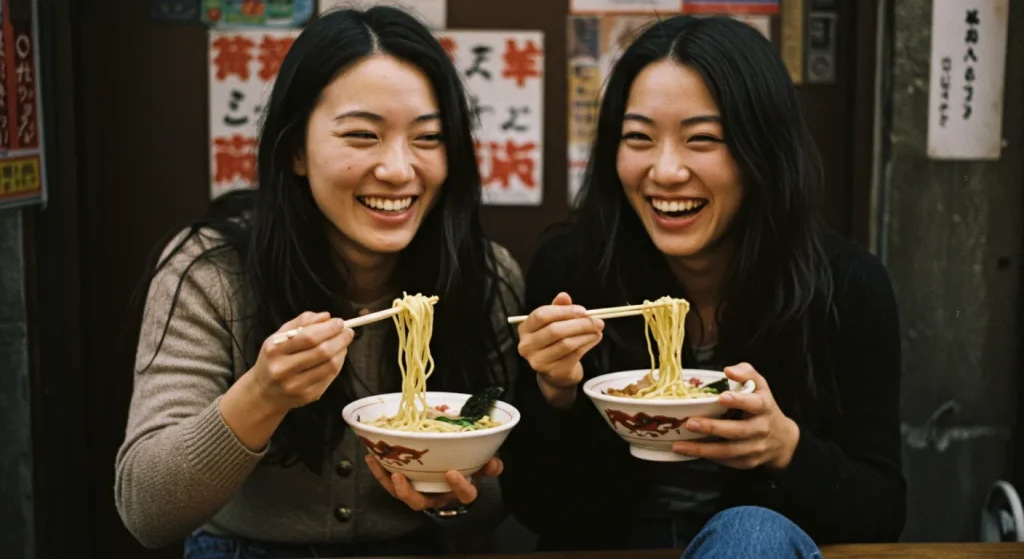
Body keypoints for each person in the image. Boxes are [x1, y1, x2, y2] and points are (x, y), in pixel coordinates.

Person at [115, 7, 523, 558]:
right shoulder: (210, 271)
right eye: (362, 135)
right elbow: (147, 511)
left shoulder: (483, 276)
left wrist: (453, 500)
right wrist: (262, 396)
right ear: (296, 150)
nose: (399, 170)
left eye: (428, 138)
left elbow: (494, 500)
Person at [501, 15, 905, 556]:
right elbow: (536, 510)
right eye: (639, 138)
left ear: (763, 150)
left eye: (703, 140)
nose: (665, 171)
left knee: (750, 533)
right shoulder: (574, 274)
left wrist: (785, 448)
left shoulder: (845, 286)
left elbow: (882, 511)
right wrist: (556, 393)